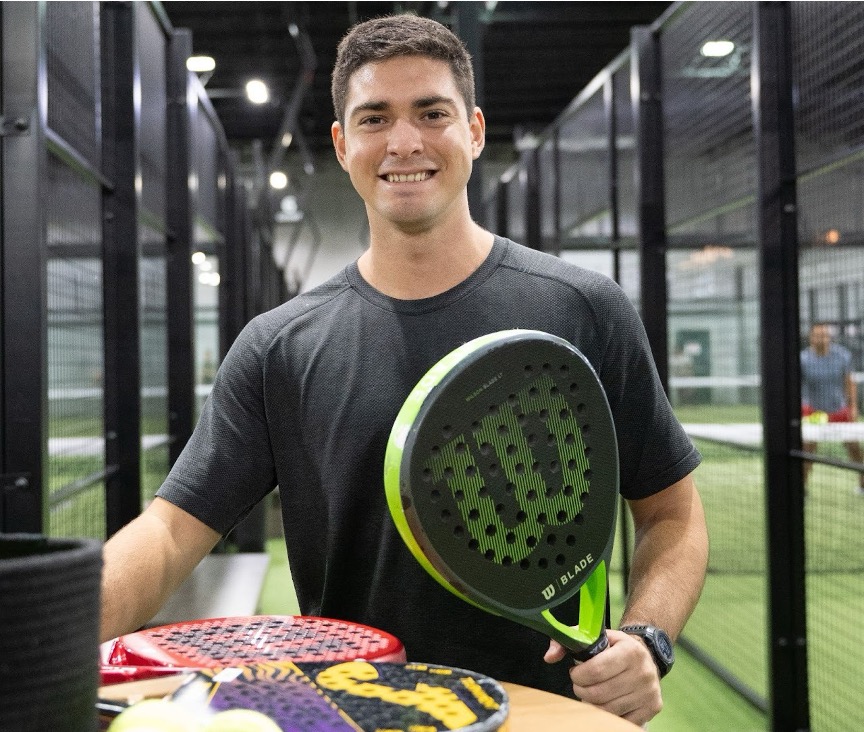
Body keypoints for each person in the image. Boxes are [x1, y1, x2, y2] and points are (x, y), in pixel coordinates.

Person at [100, 15, 708, 726]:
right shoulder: (279, 347)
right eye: (375, 118)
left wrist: (646, 638)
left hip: (546, 713)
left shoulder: (585, 310)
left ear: (474, 132)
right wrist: (41, 633)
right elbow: (171, 533)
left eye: (431, 113)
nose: (405, 142)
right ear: (343, 143)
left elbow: (672, 514)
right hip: (356, 715)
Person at [801, 322, 863, 493]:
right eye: (817, 335)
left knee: (854, 448)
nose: (821, 339)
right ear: (811, 338)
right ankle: (802, 487)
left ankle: (863, 484)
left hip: (839, 410)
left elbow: (849, 382)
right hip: (815, 412)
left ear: (829, 337)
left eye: (825, 335)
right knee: (807, 449)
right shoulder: (803, 359)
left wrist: (853, 406)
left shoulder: (842, 356)